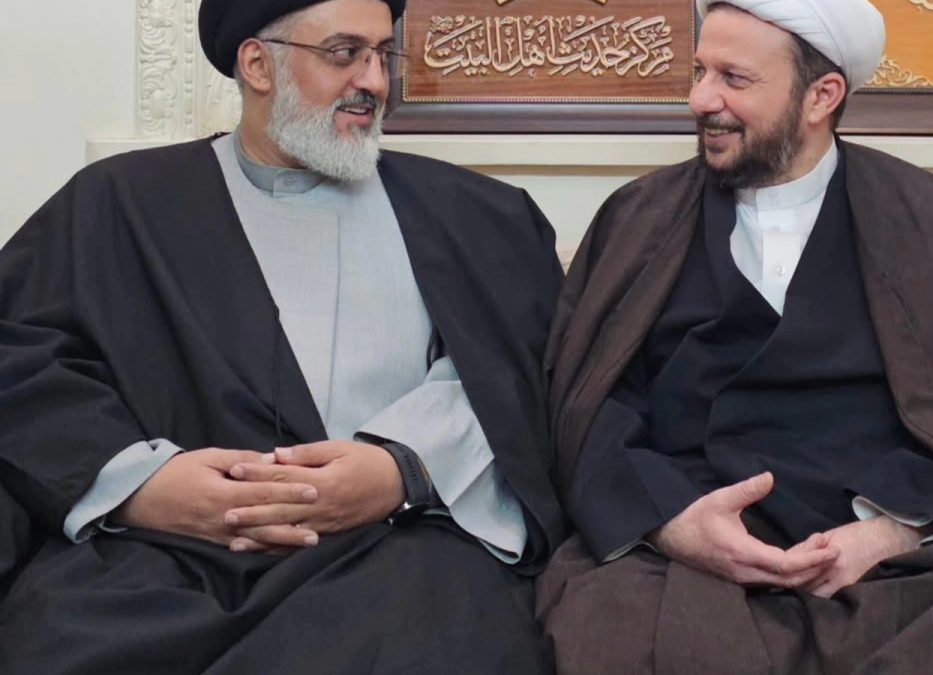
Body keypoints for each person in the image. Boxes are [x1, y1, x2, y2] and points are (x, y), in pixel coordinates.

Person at [0, 0, 563, 672]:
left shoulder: (476, 216)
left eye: (383, 55)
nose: (374, 81)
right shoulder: (117, 204)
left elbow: (522, 374)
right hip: (164, 556)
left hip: (397, 550)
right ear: (257, 65)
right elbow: (21, 359)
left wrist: (403, 470)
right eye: (345, 53)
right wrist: (142, 486)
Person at [536, 1, 933, 673]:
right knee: (614, 635)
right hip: (681, 555)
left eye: (734, 78)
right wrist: (672, 521)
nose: (701, 99)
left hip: (897, 563)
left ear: (821, 96)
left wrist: (892, 530)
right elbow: (589, 407)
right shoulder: (637, 222)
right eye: (700, 72)